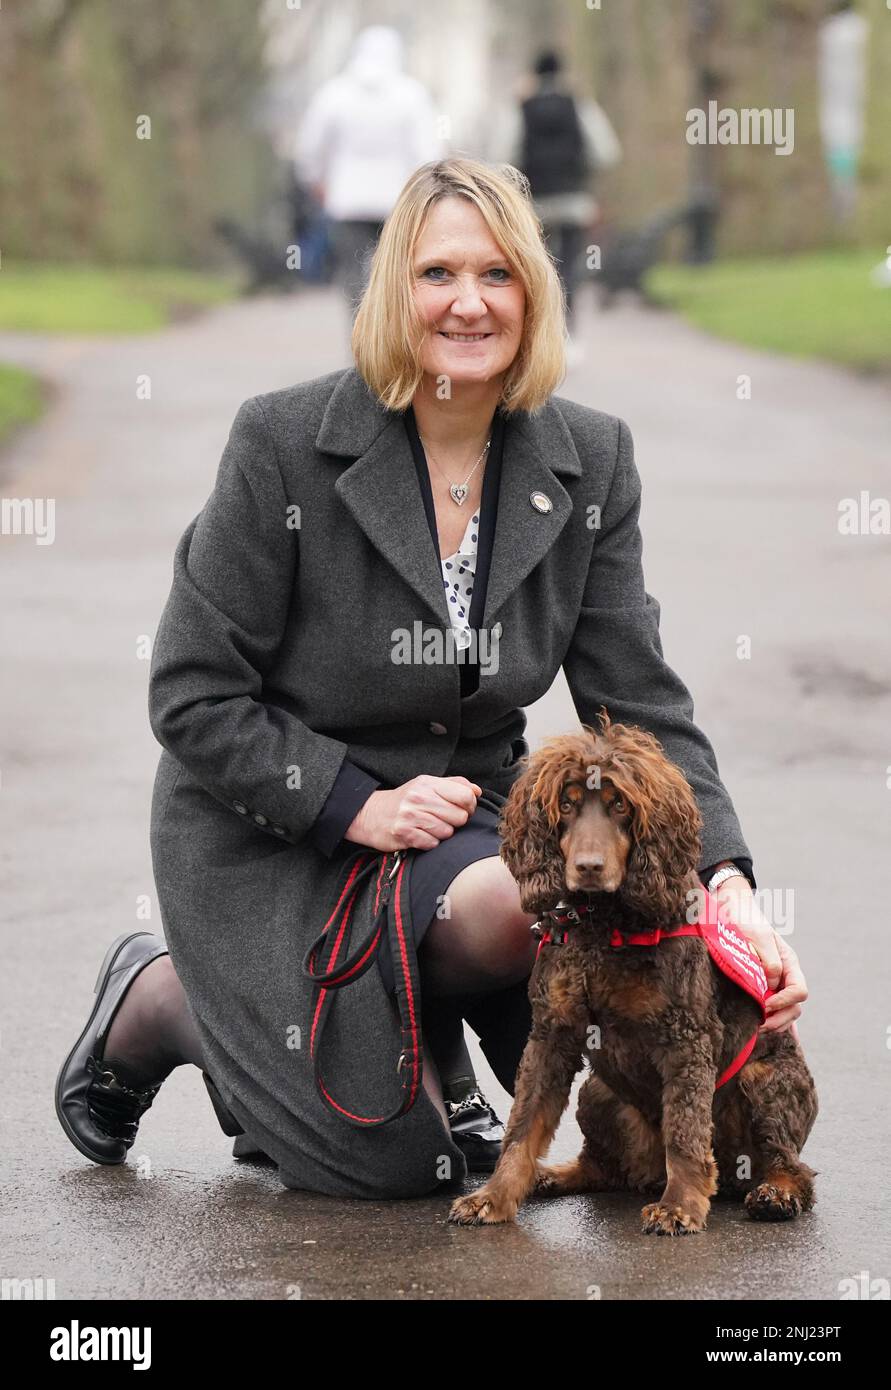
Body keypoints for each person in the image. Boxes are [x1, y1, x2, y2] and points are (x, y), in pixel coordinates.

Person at [55, 157, 807, 1201]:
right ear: (392, 292)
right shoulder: (280, 444)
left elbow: (636, 697)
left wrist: (730, 889)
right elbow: (188, 691)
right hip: (273, 827)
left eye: (498, 274)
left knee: (527, 902)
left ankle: (406, 1032)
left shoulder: (591, 458)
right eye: (437, 272)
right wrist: (355, 803)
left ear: (533, 297)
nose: (469, 301)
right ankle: (169, 997)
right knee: (390, 1168)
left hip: (460, 823)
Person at [295, 25, 445, 318]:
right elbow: (429, 152)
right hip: (399, 201)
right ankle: (392, 343)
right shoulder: (412, 95)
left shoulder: (334, 93)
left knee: (353, 277)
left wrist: (316, 181)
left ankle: (361, 346)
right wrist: (430, 195)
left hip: (347, 200)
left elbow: (309, 147)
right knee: (399, 274)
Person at [493, 50, 621, 351]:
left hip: (534, 202)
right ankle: (569, 335)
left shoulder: (521, 107)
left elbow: (502, 154)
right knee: (570, 267)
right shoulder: (577, 104)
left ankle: (539, 337)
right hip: (574, 200)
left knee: (539, 266)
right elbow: (607, 151)